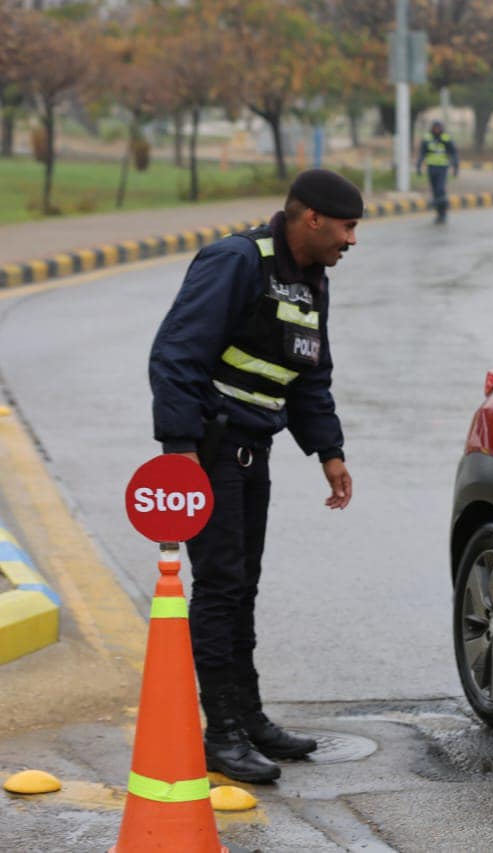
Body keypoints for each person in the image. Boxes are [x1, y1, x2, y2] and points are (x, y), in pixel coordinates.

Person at [149, 169, 360, 783]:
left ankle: (248, 718)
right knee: (220, 588)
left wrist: (329, 451)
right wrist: (179, 449)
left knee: (242, 587)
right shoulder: (237, 261)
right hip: (211, 449)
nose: (352, 240)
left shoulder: (311, 281)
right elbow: (176, 353)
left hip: (252, 450)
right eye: (347, 227)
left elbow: (309, 373)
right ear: (312, 218)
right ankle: (222, 733)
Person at [416, 119, 459, 223]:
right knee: (435, 191)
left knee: (440, 189)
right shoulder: (427, 138)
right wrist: (418, 165)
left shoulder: (446, 138)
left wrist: (456, 166)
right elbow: (422, 153)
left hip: (442, 168)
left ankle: (443, 213)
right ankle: (439, 214)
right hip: (431, 168)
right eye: (435, 128)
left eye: (438, 128)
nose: (436, 130)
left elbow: (453, 153)